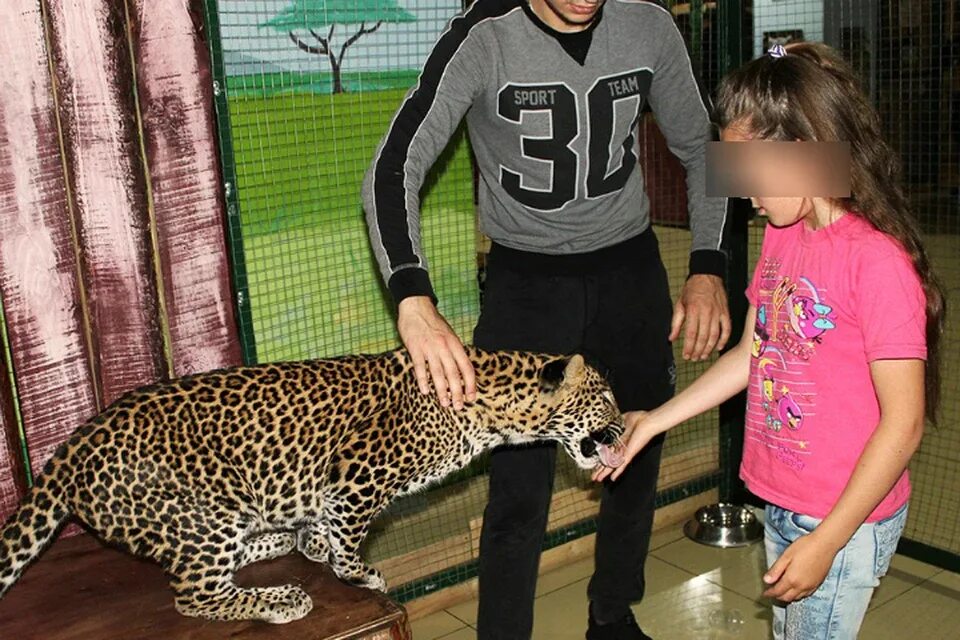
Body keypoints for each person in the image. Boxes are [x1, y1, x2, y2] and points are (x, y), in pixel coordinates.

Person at [362, 1, 731, 637]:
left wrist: (708, 267)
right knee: (518, 489)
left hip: (629, 271)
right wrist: (413, 298)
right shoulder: (482, 36)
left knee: (635, 451)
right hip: (526, 284)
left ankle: (612, 616)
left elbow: (704, 148)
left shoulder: (648, 23)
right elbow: (394, 166)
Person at [595, 42, 946, 640]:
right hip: (785, 501)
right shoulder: (788, 232)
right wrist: (653, 421)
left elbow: (904, 425)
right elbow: (752, 354)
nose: (744, 193)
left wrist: (826, 542)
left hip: (842, 517)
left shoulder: (876, 263)